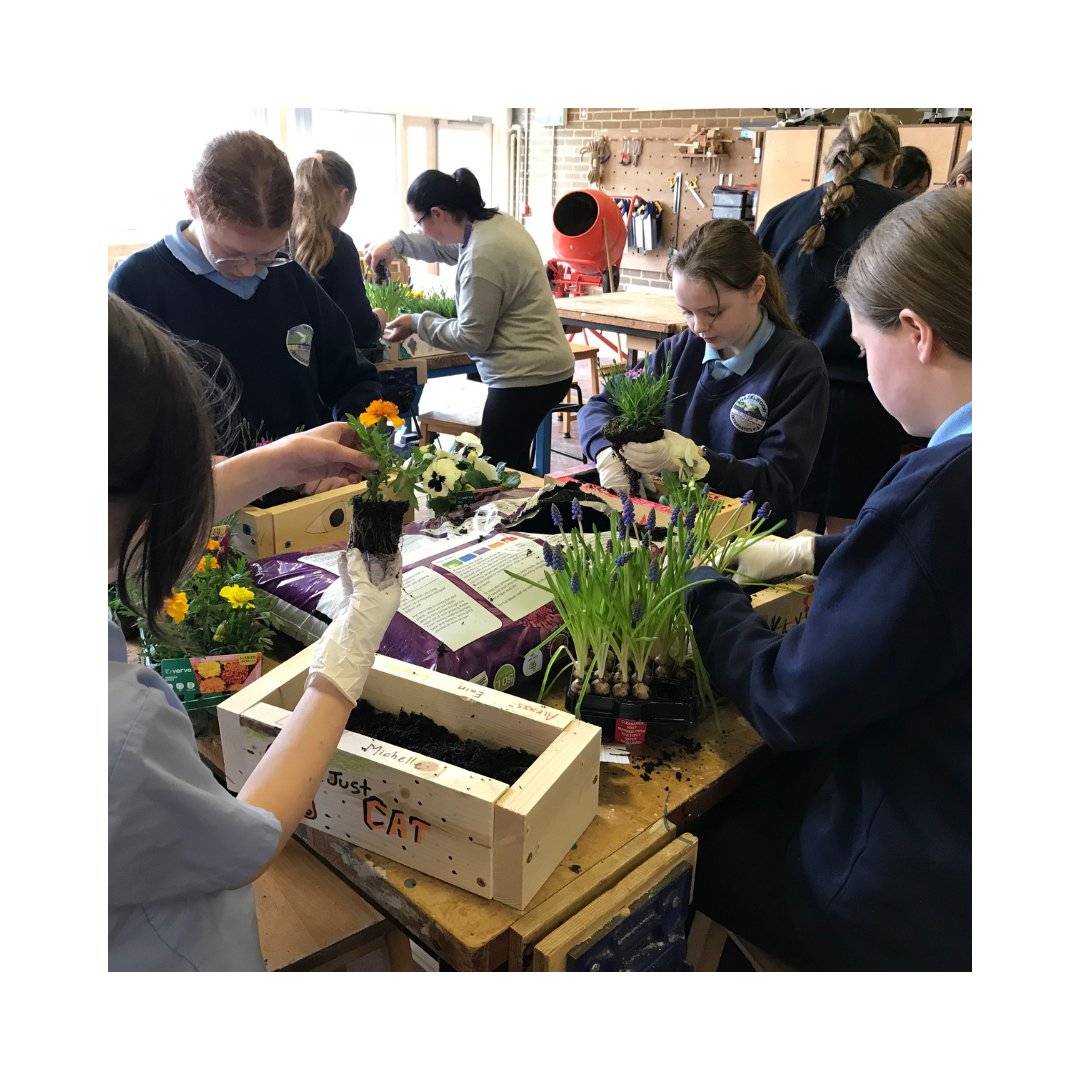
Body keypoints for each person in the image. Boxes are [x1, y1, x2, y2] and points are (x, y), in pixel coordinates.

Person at [686, 186, 972, 971]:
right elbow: (938, 590)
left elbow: (790, 699)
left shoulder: (939, 492)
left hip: (909, 888)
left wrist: (706, 594)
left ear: (915, 333)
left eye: (861, 343)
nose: (861, 363)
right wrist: (815, 555)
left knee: (690, 834)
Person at [109, 293, 402, 971]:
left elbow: (138, 513)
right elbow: (254, 840)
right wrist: (348, 653)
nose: (195, 503)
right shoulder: (120, 727)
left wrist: (275, 463)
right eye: (187, 473)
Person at [109, 130, 382, 448]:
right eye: (232, 254)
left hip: (305, 495)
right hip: (200, 495)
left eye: (267, 255)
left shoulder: (290, 278)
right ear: (192, 203)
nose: (249, 270)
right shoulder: (137, 288)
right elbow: (118, 426)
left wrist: (347, 445)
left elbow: (356, 381)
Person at [576, 218, 829, 537]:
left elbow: (778, 482)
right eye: (686, 311)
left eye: (713, 312)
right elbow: (599, 406)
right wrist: (605, 450)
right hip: (668, 531)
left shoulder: (797, 366)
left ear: (756, 290)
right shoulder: (680, 351)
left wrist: (695, 461)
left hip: (748, 545)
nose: (698, 326)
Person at [757, 109, 911, 534]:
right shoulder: (910, 218)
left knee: (788, 525)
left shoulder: (782, 215)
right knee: (847, 533)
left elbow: (756, 307)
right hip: (871, 396)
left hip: (789, 391)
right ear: (893, 164)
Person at [364, 167, 574, 472]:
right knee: (513, 467)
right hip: (543, 367)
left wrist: (417, 323)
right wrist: (396, 244)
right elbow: (444, 246)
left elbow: (473, 336)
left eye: (419, 222)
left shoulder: (482, 256)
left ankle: (520, 517)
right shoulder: (490, 224)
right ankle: (529, 516)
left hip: (527, 377)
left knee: (494, 472)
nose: (419, 230)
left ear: (438, 213)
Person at [291, 149, 387, 358]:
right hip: (328, 372)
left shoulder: (279, 239)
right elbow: (359, 329)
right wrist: (379, 320)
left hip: (289, 366)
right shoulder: (339, 245)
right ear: (344, 195)